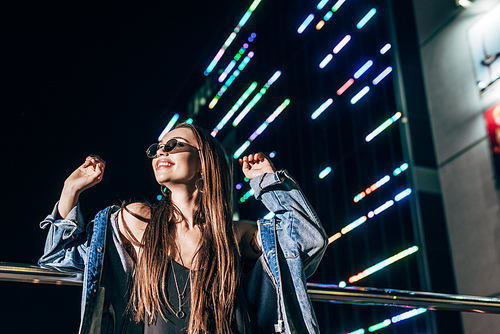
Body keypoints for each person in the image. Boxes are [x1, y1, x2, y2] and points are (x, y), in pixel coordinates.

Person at [38, 122, 328, 334]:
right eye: (158, 148)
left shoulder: (234, 235)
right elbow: (60, 259)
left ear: (204, 162)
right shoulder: (137, 222)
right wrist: (70, 191)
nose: (161, 151)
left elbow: (308, 239)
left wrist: (268, 182)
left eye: (174, 145)